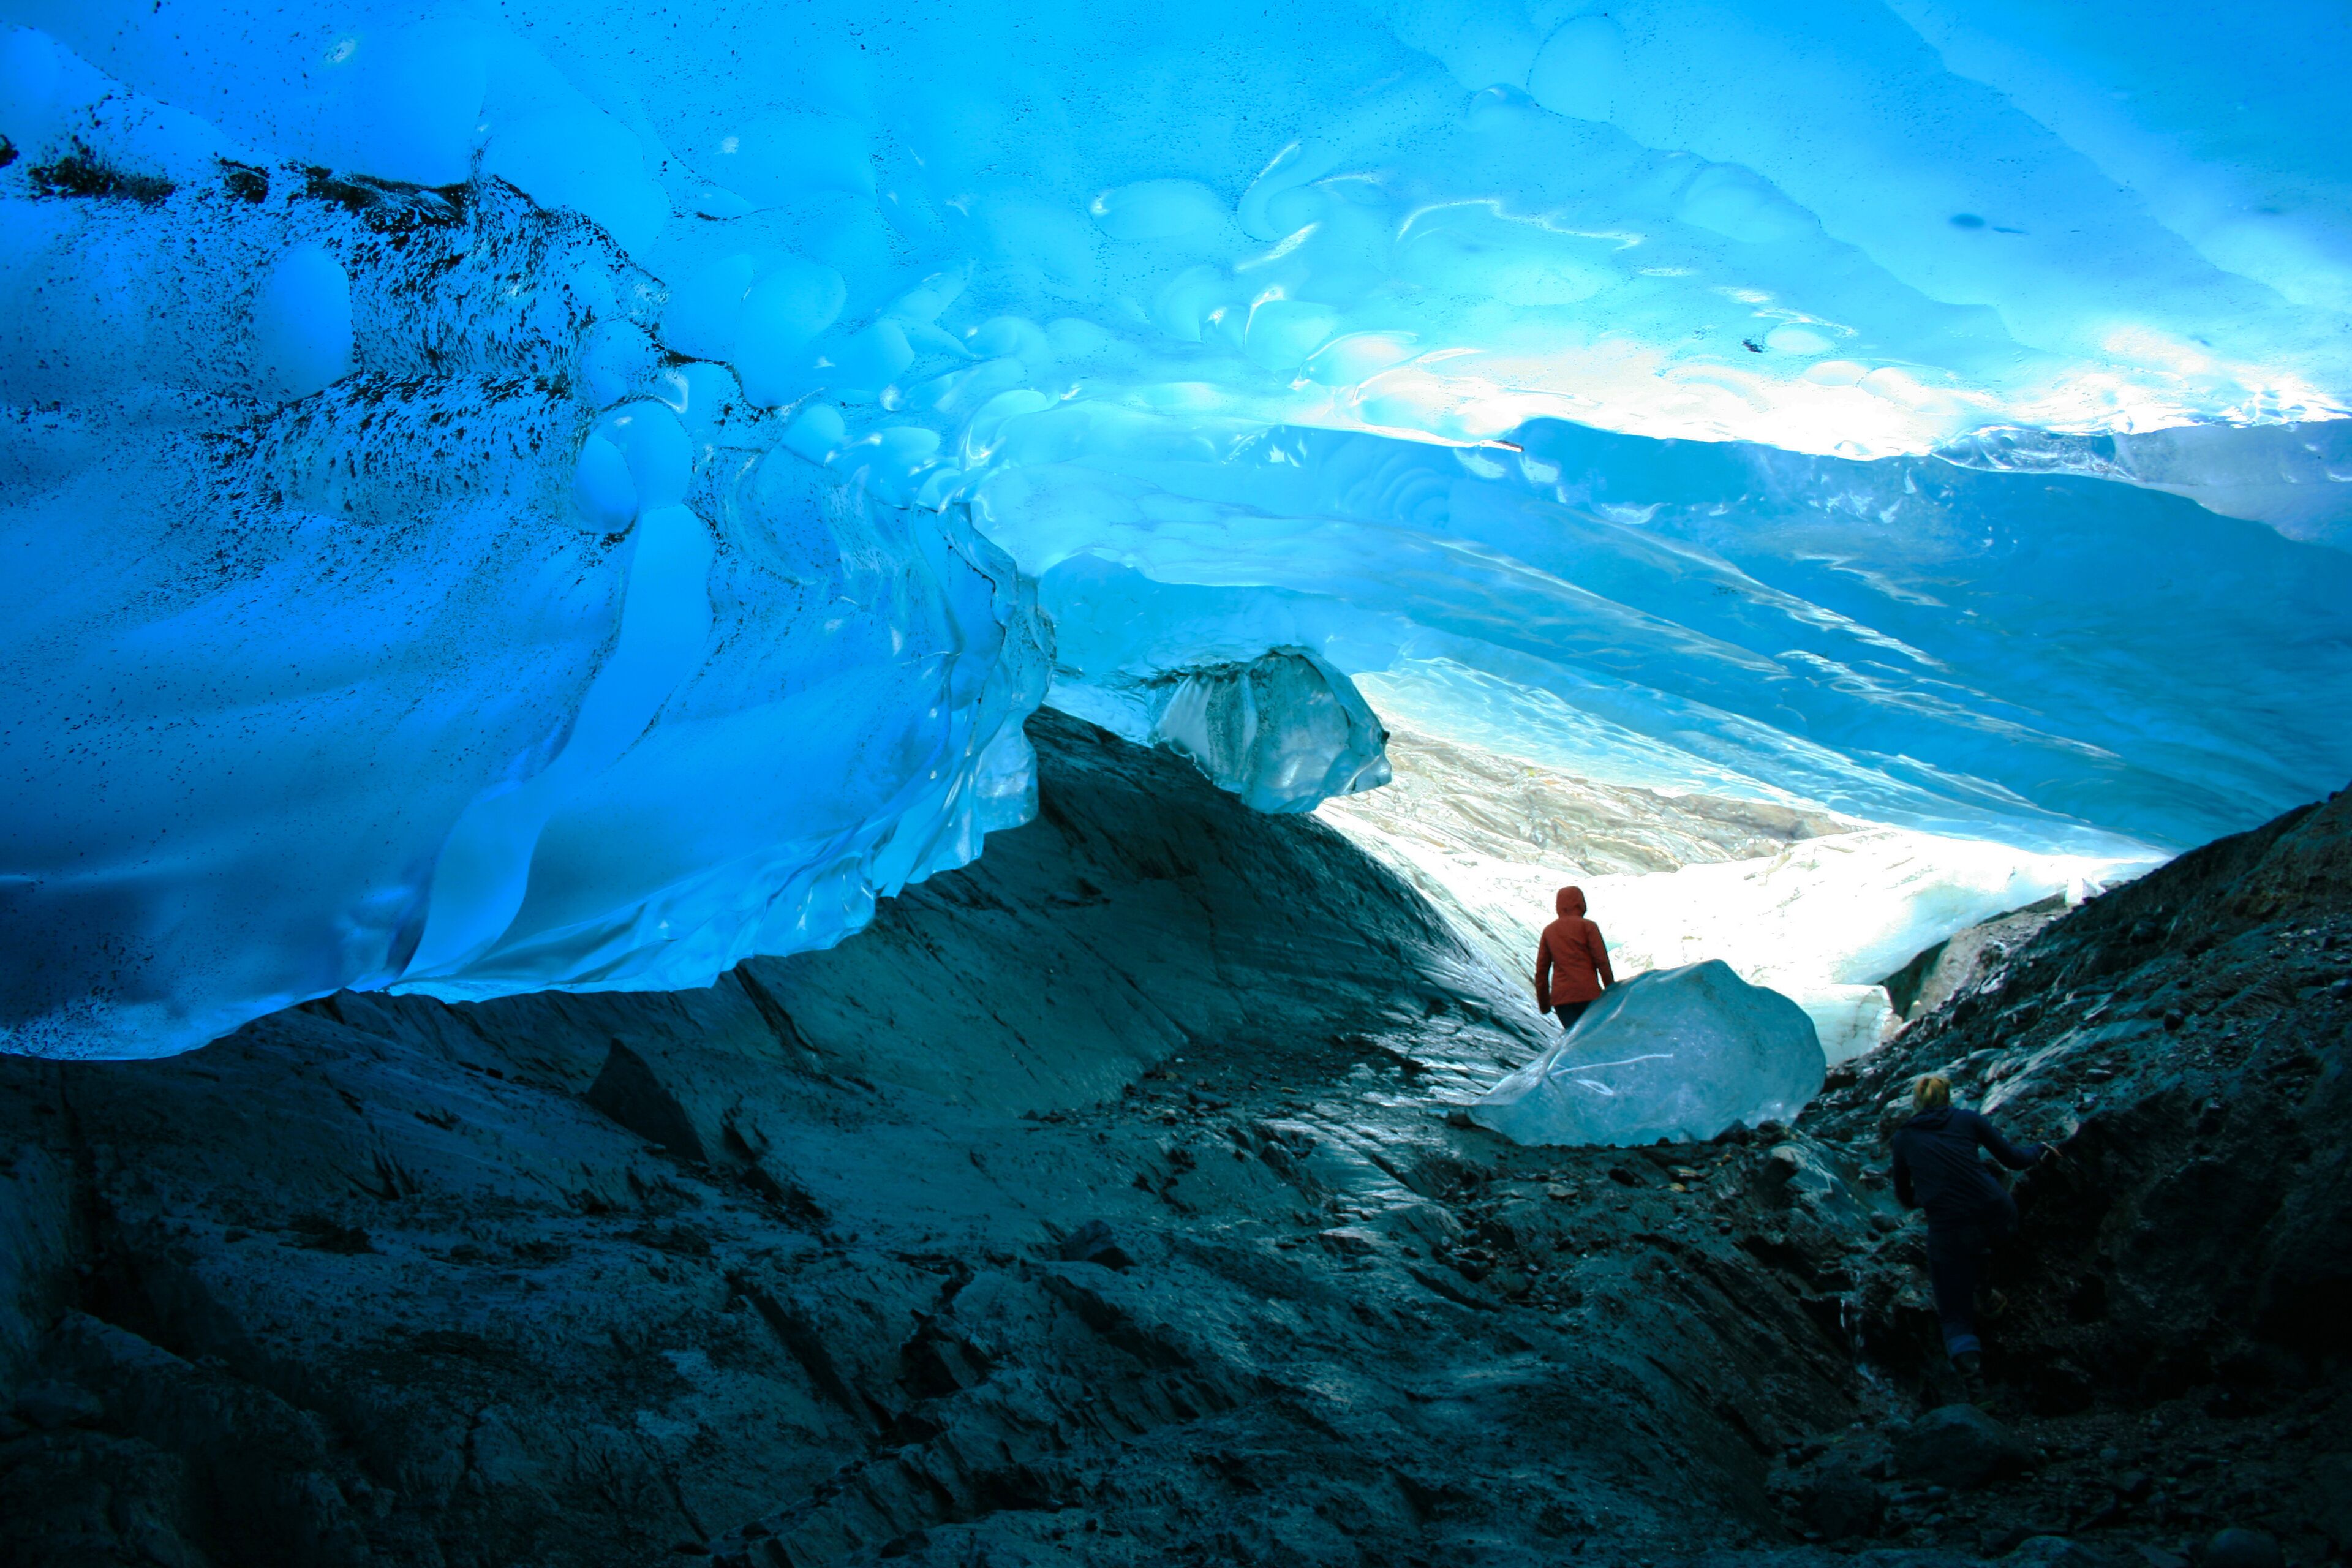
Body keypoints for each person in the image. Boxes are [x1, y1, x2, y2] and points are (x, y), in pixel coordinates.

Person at [1889, 1075, 2057, 1378]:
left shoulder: (1904, 1138)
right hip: (1999, 1215)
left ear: (1915, 1103)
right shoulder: (1968, 1120)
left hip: (1952, 1228)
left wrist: (1927, 1197)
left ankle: (1974, 1380)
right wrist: (2041, 1148)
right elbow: (2015, 1160)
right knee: (1980, 1245)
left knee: (1953, 1313)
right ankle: (1986, 1294)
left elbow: (1903, 1195)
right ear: (1948, 1098)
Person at [1535, 885, 1614, 1033]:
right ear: (1581, 903)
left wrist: (1544, 1005)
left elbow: (1541, 972)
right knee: (1592, 1037)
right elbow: (1602, 962)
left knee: (1574, 1037)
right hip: (1589, 995)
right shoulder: (1588, 927)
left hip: (1562, 1000)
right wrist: (1612, 991)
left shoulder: (1549, 931)